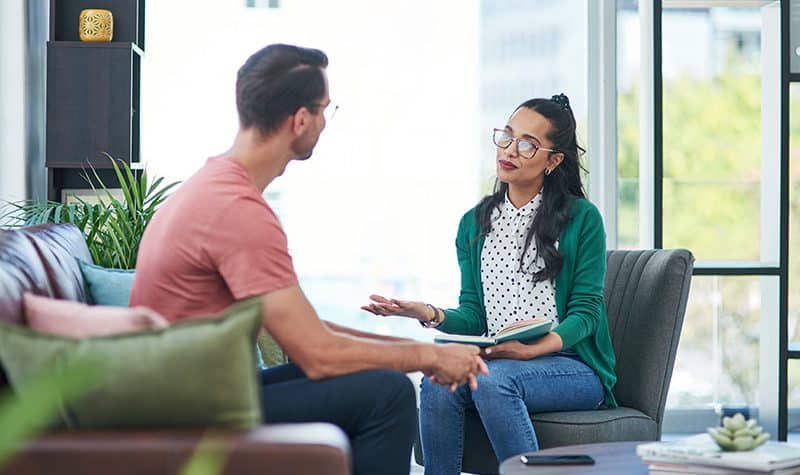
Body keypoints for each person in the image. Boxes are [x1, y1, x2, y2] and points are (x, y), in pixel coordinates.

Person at [129, 43, 488, 475]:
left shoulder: (212, 186)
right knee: (388, 395)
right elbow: (317, 353)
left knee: (380, 381)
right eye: (324, 109)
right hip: (191, 410)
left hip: (198, 393)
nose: (324, 121)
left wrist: (428, 352)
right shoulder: (238, 211)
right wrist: (429, 359)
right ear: (300, 120)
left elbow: (306, 333)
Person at [362, 94, 618, 474]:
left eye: (528, 144)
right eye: (507, 136)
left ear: (553, 161)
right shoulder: (474, 222)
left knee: (494, 383)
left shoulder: (582, 219)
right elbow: (474, 316)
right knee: (436, 382)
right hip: (499, 358)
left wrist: (530, 352)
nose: (510, 150)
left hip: (572, 365)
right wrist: (428, 313)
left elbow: (587, 313)